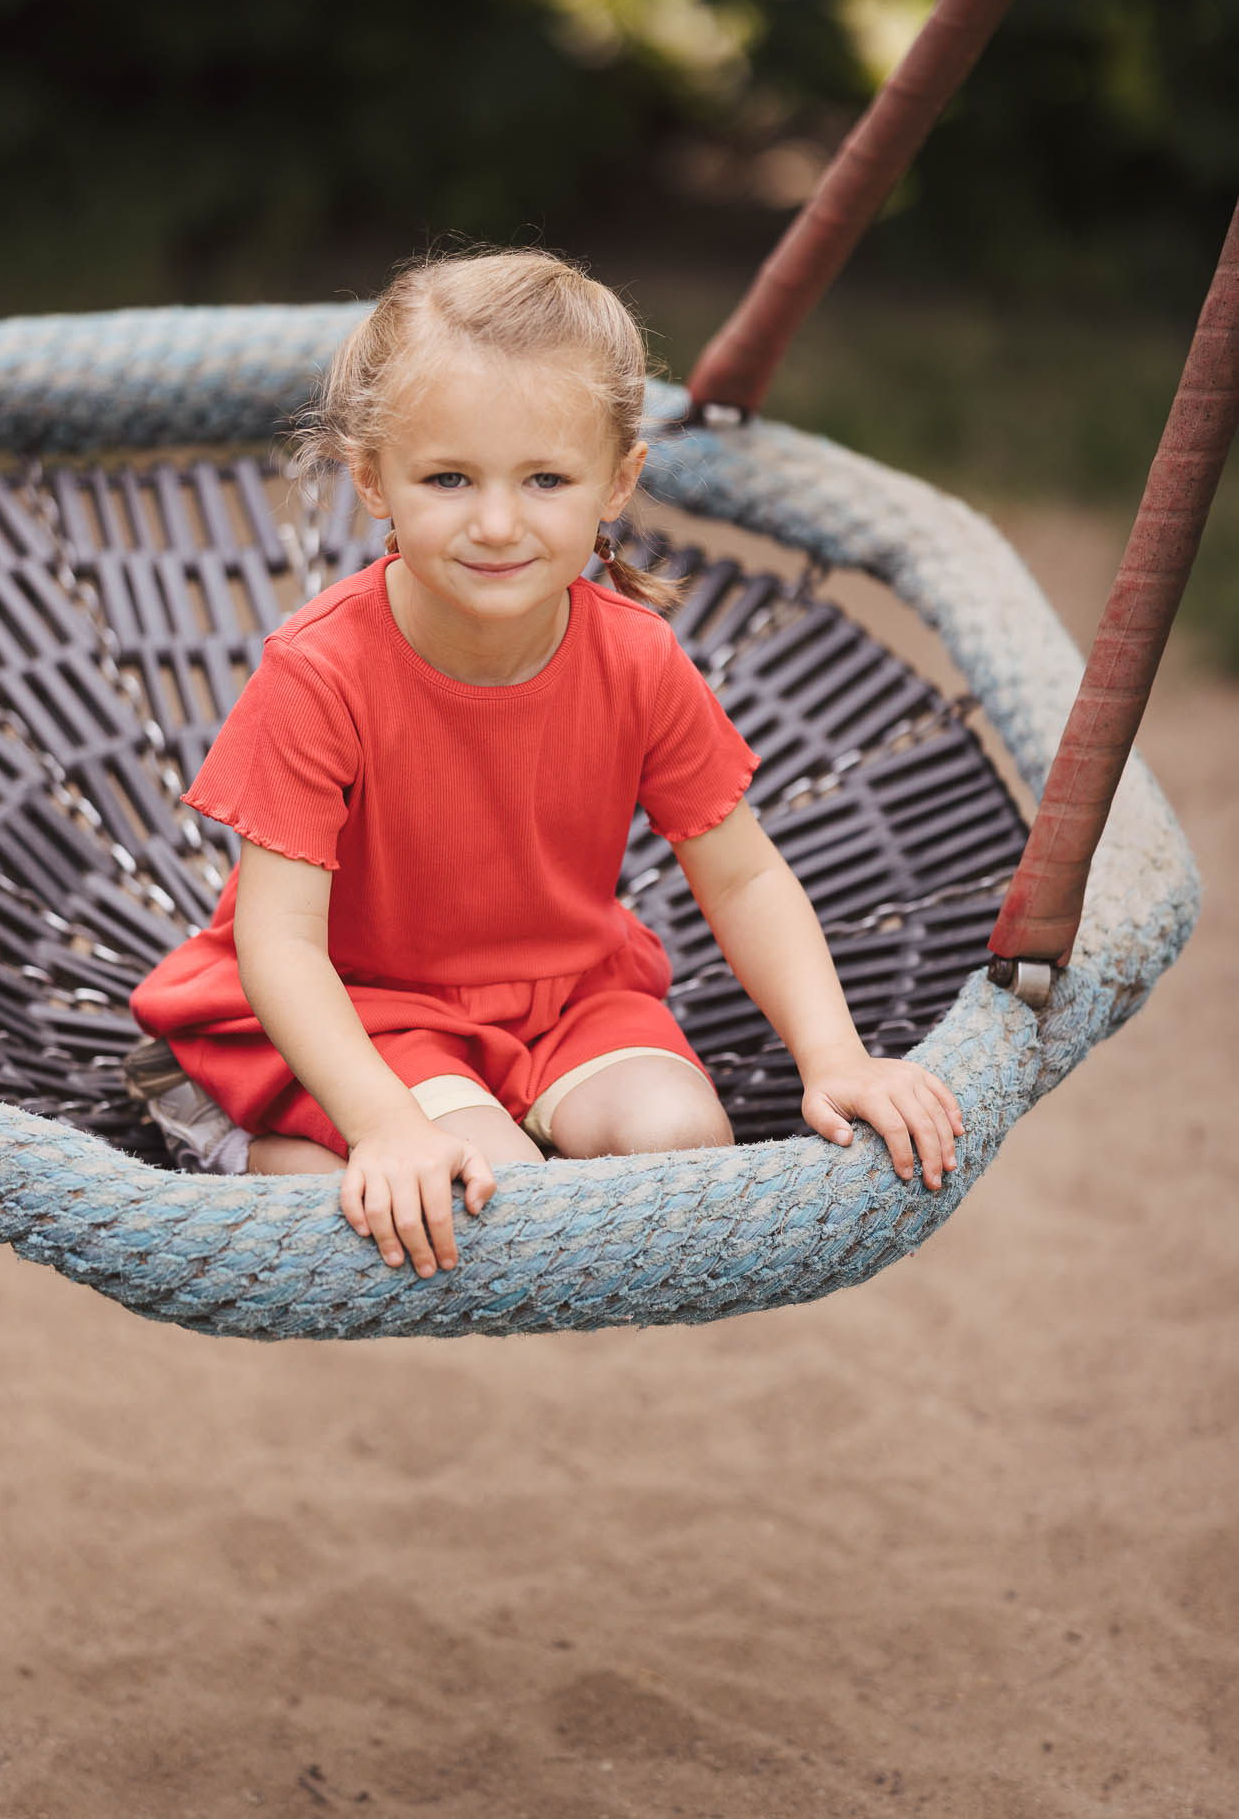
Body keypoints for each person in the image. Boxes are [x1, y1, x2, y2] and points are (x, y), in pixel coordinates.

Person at [127, 247, 963, 1280]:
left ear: (618, 482)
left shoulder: (635, 658)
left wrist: (831, 1054)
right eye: (446, 478)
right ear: (370, 475)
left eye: (544, 479)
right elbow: (283, 946)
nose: (493, 522)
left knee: (680, 1144)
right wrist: (385, 1122)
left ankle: (445, 1133)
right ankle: (254, 1147)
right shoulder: (320, 671)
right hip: (362, 1002)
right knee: (488, 1201)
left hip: (564, 994)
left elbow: (741, 871)